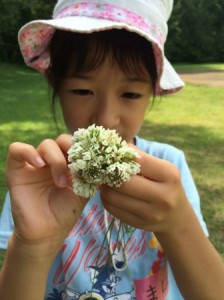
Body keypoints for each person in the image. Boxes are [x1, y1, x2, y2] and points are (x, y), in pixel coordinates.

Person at [0, 0, 224, 299]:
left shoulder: (170, 166)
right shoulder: (38, 178)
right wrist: (31, 246)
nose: (106, 118)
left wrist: (178, 223)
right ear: (55, 83)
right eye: (82, 90)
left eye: (130, 93)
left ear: (151, 93)